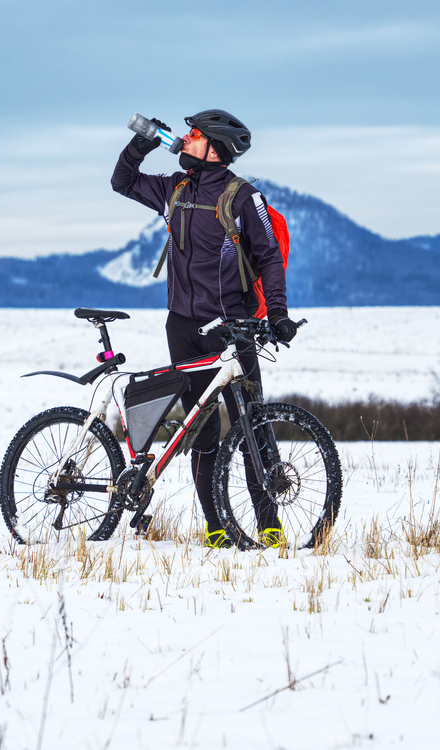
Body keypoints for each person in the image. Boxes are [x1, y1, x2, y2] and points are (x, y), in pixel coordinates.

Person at [111, 109, 297, 548]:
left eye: (195, 135)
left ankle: (268, 523)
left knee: (253, 423)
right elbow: (123, 180)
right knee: (203, 428)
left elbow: (269, 256)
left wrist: (277, 314)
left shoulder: (242, 197)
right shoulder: (175, 189)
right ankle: (216, 527)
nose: (186, 139)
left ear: (215, 148)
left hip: (232, 328)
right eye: (188, 134)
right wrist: (144, 142)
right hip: (183, 325)